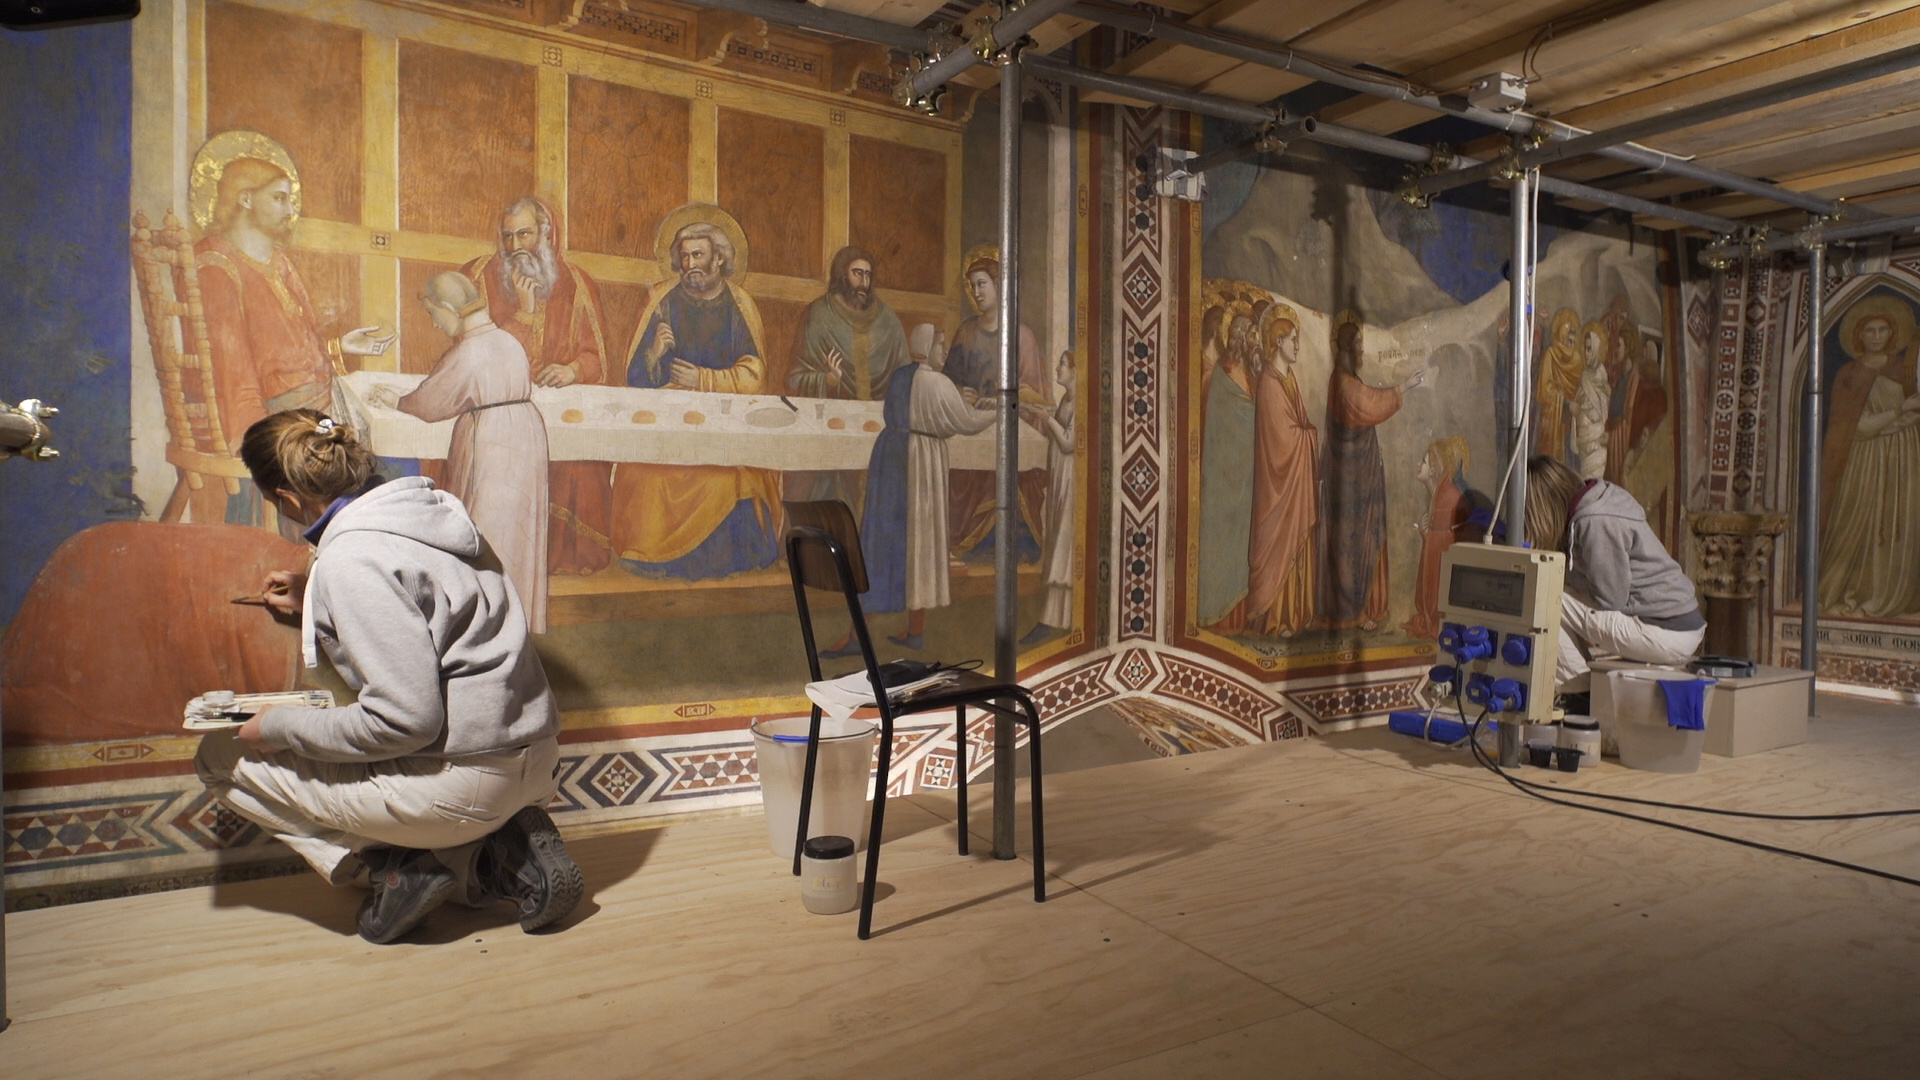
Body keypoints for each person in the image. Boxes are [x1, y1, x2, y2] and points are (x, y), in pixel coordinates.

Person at [193, 409, 582, 944]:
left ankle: (396, 872)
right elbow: (429, 606)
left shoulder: (351, 560)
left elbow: (406, 721)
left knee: (219, 755)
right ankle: (497, 862)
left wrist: (278, 726)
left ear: (287, 499)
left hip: (465, 783)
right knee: (354, 745)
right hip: (536, 764)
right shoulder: (432, 514)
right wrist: (316, 598)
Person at [195, 155, 393, 526]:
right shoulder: (216, 266)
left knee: (386, 444)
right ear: (246, 199)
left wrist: (339, 346)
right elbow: (232, 370)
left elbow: (292, 348)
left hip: (313, 402)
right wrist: (259, 447)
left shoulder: (279, 261)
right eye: (280, 198)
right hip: (273, 418)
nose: (290, 210)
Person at [611, 219, 781, 580]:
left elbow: (755, 376)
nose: (690, 264)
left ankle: (710, 560)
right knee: (642, 472)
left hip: (725, 421)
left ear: (719, 258)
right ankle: (652, 556)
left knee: (720, 477)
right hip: (670, 419)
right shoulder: (662, 300)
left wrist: (703, 379)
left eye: (698, 255)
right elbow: (636, 379)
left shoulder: (738, 304)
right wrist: (653, 354)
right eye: (684, 256)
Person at [383, 272, 550, 634]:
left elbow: (431, 403)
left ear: (448, 307)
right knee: (515, 530)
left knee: (487, 526)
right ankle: (512, 615)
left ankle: (484, 619)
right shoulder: (507, 340)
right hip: (524, 433)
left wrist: (397, 401)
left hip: (492, 440)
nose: (434, 323)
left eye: (433, 314)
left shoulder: (469, 351)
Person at [819, 324, 996, 656]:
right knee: (919, 547)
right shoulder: (937, 382)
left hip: (890, 458)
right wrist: (997, 412)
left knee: (882, 546)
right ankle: (908, 632)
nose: (945, 352)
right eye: (941, 346)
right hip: (920, 465)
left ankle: (868, 634)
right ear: (926, 348)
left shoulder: (902, 376)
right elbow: (967, 423)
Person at [461, 197, 615, 576]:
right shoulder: (476, 277)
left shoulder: (577, 283)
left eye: (525, 235)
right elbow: (472, 358)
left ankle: (561, 555)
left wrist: (573, 370)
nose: (515, 247)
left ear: (546, 234)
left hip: (558, 406)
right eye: (508, 236)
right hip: (496, 404)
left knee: (580, 462)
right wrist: (524, 312)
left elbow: (598, 357)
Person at [1524, 455, 1705, 697]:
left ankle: (1577, 691)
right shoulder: (1601, 500)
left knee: (1545, 594)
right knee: (1554, 592)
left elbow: (1611, 598)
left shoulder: (1594, 520)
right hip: (1679, 627)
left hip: (1667, 633)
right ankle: (1578, 685)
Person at [1320, 311, 1423, 631]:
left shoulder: (1348, 380)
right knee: (1351, 543)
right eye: (1358, 343)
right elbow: (1368, 404)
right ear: (1346, 347)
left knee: (1361, 541)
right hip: (1349, 481)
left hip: (1361, 475)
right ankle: (1349, 611)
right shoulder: (1343, 383)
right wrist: (1404, 387)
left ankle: (1361, 607)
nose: (1362, 349)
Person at [1818, 298, 1920, 616]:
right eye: (1870, 330)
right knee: (1854, 522)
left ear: (1893, 333)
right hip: (1862, 459)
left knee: (1898, 524)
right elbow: (1855, 427)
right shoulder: (1849, 374)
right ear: (1858, 335)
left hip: (1903, 457)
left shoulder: (1905, 369)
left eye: (1882, 330)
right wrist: (1899, 412)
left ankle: (1892, 595)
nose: (1876, 336)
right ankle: (1847, 593)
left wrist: (1899, 419)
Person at [1240, 305, 1320, 637]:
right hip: (1277, 488)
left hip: (1293, 485)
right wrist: (1310, 437)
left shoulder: (1288, 380)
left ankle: (1294, 615)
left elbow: (1299, 426)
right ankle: (1276, 617)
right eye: (1293, 340)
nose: (1298, 346)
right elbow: (1282, 441)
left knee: (1296, 542)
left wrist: (1308, 434)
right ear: (1277, 342)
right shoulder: (1269, 384)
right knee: (1278, 545)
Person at [1197, 308, 1258, 629]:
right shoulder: (1224, 374)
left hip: (1247, 478)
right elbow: (1224, 426)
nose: (1256, 342)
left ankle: (1241, 617)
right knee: (1224, 542)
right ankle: (1220, 615)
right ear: (1239, 338)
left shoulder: (1251, 373)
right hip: (1225, 477)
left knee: (1245, 545)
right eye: (1252, 335)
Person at [1022, 350, 1078, 645]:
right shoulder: (1067, 400)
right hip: (1060, 479)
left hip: (1071, 481)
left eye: (1063, 364)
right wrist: (1037, 412)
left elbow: (1069, 442)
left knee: (1063, 550)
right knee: (1057, 542)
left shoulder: (1080, 402)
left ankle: (1051, 621)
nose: (1057, 368)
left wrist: (1047, 419)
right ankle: (1057, 618)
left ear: (1076, 370)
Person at [1403, 436, 1474, 640]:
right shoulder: (1438, 495)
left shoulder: (1447, 498)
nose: (1419, 464)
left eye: (1424, 462)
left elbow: (1443, 546)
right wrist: (1428, 535)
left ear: (1433, 469)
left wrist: (1428, 536)